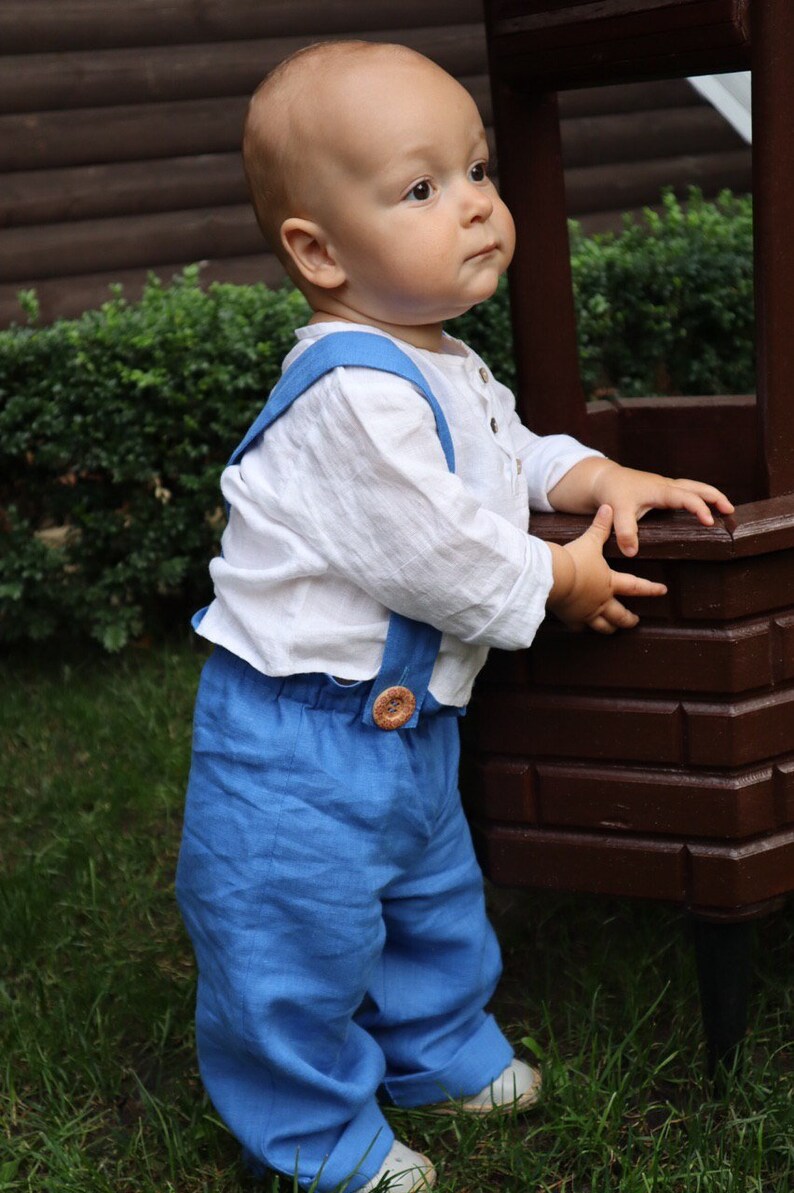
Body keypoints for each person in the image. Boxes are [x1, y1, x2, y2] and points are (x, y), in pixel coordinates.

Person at [175, 40, 734, 1193]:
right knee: (289, 942)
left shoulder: (438, 363)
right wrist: (557, 582)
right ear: (317, 252)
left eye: (476, 170)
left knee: (432, 904)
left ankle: (436, 1051)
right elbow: (434, 549)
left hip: (406, 732)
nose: (476, 205)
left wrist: (591, 480)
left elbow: (505, 452)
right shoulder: (347, 392)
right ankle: (312, 1130)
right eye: (422, 189)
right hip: (294, 743)